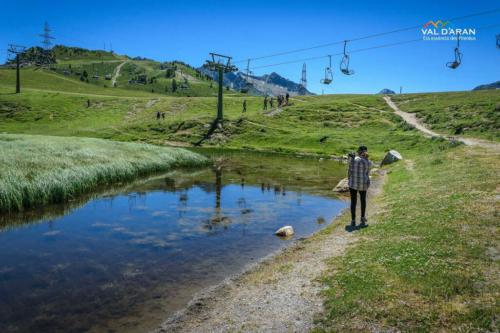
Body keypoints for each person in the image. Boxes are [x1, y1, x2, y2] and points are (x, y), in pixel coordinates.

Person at [347, 145, 372, 228]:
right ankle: (362, 218)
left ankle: (353, 220)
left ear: (358, 151)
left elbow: (349, 170)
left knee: (353, 202)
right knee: (363, 200)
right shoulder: (368, 162)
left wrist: (349, 180)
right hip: (363, 184)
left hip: (353, 183)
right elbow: (367, 174)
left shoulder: (353, 160)